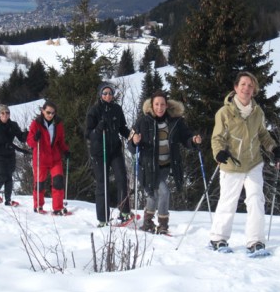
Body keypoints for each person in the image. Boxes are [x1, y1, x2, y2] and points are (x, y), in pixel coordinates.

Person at [209, 71, 280, 254]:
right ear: (235, 88)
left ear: (254, 90)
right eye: (243, 84)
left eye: (250, 86)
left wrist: (273, 148)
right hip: (231, 165)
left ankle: (255, 241)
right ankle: (218, 239)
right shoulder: (224, 113)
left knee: (256, 200)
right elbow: (217, 137)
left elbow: (263, 135)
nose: (246, 88)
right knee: (228, 201)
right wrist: (219, 153)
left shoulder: (257, 112)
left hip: (253, 163)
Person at [128, 90, 202, 234]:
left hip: (165, 166)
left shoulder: (175, 122)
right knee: (162, 192)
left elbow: (186, 137)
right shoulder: (143, 121)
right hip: (148, 166)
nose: (159, 107)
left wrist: (193, 140)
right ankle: (162, 225)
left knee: (154, 194)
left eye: (162, 104)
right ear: (152, 105)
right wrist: (134, 141)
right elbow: (130, 145)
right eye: (157, 104)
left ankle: (148, 223)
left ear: (167, 106)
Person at [86, 82, 132, 227]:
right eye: (105, 93)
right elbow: (88, 134)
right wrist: (98, 129)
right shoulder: (94, 111)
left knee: (122, 179)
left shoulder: (117, 109)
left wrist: (132, 135)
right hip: (100, 152)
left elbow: (122, 128)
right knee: (102, 184)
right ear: (100, 95)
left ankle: (124, 212)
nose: (108, 96)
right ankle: (103, 219)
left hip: (115, 150)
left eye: (110, 93)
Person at [27, 100, 70, 215]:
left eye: (53, 113)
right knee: (39, 183)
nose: (51, 115)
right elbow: (29, 141)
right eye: (48, 112)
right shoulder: (36, 124)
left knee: (58, 182)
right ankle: (38, 206)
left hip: (55, 157)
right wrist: (35, 138)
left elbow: (60, 140)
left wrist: (65, 150)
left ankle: (58, 208)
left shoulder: (58, 124)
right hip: (40, 158)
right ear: (42, 111)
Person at [0, 104, 27, 206]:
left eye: (7, 113)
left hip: (10, 154)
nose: (5, 115)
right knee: (2, 175)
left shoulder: (13, 125)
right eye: (3, 113)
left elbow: (21, 138)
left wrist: (27, 134)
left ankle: (8, 200)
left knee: (9, 176)